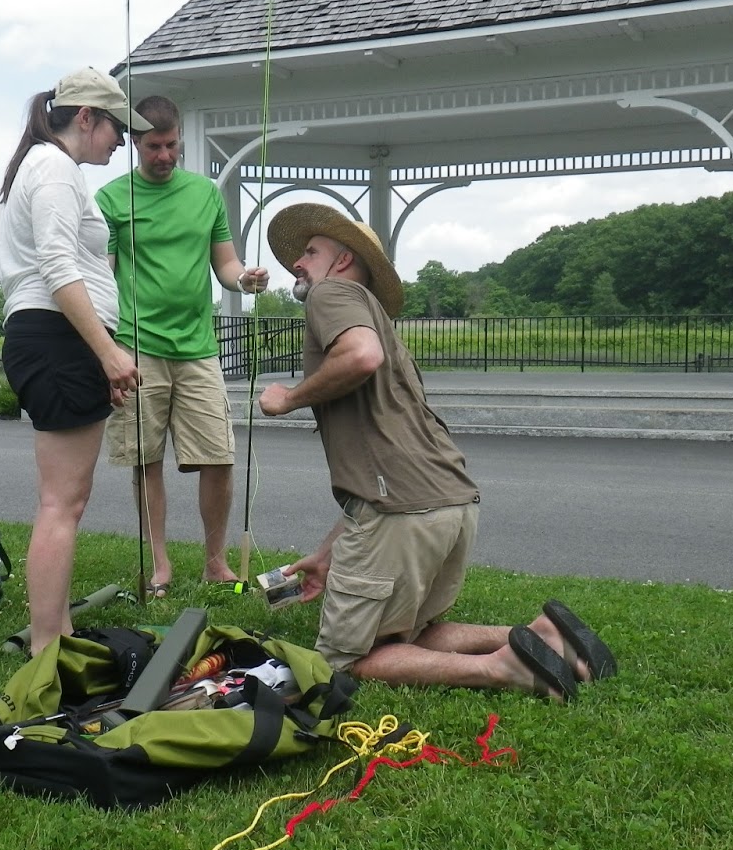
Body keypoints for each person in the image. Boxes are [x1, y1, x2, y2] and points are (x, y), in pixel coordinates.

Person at [256, 202, 618, 700]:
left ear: (343, 261)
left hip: (404, 512)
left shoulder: (332, 293)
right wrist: (327, 553)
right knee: (413, 635)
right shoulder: (376, 315)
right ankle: (544, 638)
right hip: (450, 502)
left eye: (311, 252)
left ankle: (503, 668)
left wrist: (289, 399)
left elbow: (361, 356)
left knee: (344, 661)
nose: (298, 262)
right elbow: (387, 461)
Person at [0, 68, 149, 654]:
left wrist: (100, 351)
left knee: (68, 499)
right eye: (118, 128)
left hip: (58, 341)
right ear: (87, 117)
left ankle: (57, 632)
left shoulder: (43, 166)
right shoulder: (55, 169)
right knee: (62, 502)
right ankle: (45, 646)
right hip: (58, 339)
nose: (121, 141)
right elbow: (60, 270)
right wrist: (108, 353)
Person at [95, 96, 269, 594]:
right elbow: (103, 279)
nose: (164, 155)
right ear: (135, 143)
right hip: (136, 347)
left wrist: (246, 279)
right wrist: (105, 351)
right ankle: (161, 563)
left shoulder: (205, 195)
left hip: (197, 347)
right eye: (154, 146)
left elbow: (226, 266)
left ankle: (215, 560)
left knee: (219, 455)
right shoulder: (111, 199)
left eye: (172, 146)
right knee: (146, 459)